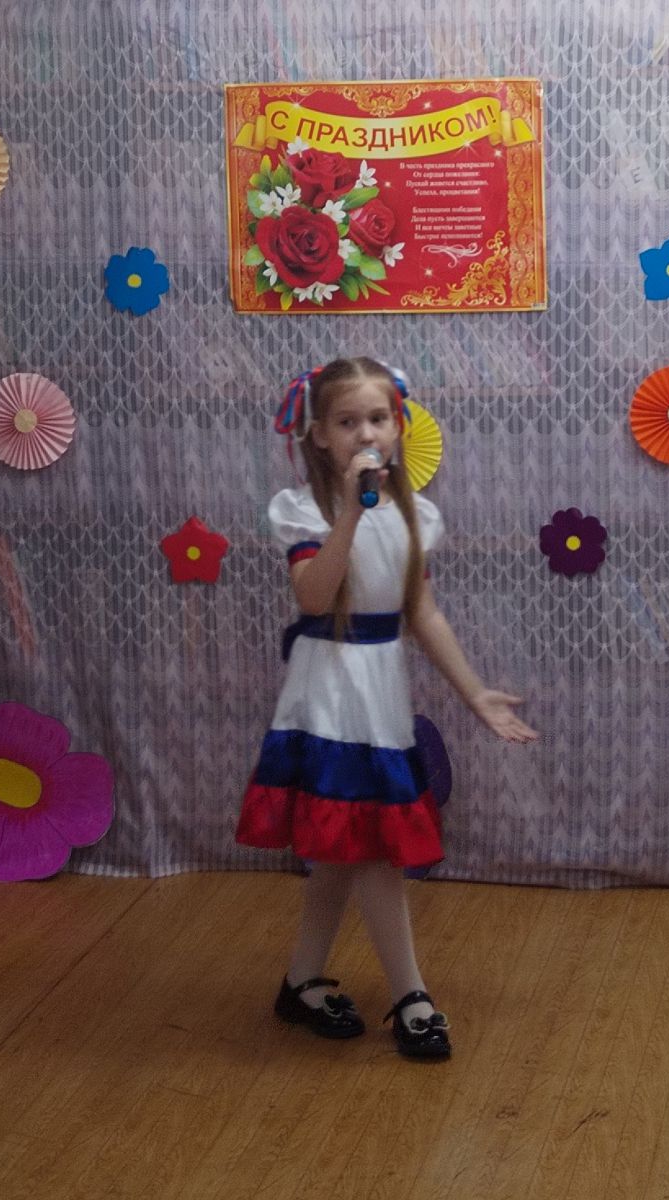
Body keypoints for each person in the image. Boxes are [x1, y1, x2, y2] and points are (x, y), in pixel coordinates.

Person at [236, 356, 538, 1061]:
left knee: (344, 852)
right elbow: (314, 595)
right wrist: (349, 511)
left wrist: (475, 693)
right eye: (347, 422)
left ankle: (301, 980)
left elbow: (421, 613)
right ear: (319, 435)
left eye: (377, 419)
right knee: (372, 849)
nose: (365, 434)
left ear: (398, 427)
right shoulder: (302, 510)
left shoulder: (415, 516)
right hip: (328, 693)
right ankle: (411, 996)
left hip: (380, 692)